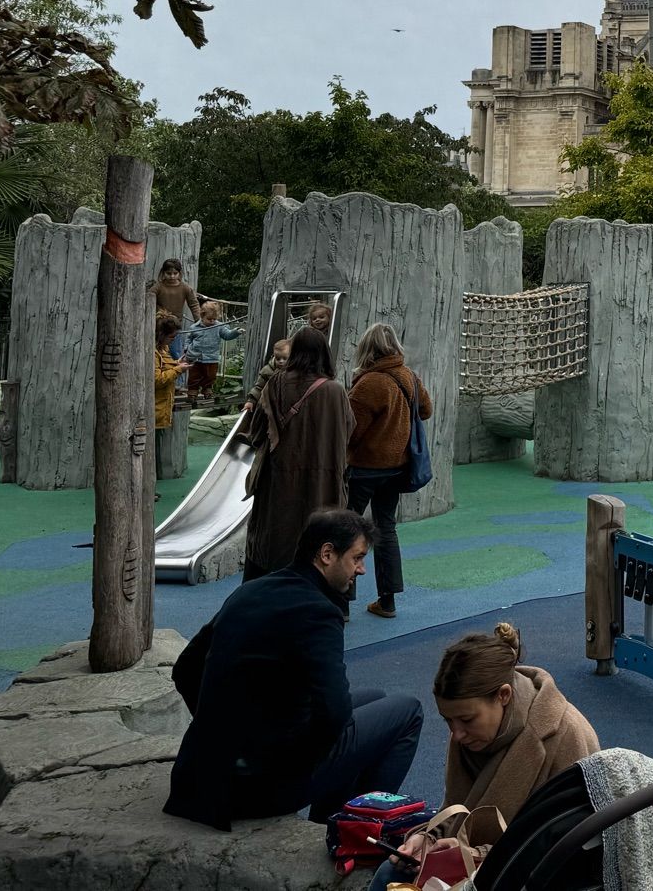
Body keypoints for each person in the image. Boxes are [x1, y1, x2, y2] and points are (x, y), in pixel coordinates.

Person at [166, 509, 423, 828]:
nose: (361, 569)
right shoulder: (318, 611)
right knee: (408, 711)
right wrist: (293, 754)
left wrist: (219, 728)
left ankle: (327, 819)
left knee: (375, 696)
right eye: (357, 558)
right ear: (327, 554)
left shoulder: (252, 590)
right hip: (260, 785)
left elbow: (186, 669)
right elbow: (335, 712)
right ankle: (357, 827)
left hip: (203, 773)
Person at [370, 622, 599, 889]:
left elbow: (562, 843)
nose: (456, 734)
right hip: (481, 858)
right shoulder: (471, 729)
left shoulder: (565, 734)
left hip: (544, 873)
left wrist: (477, 856)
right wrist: (428, 839)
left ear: (504, 695)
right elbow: (455, 807)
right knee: (390, 873)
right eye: (448, 721)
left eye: (466, 719)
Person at [242, 326, 353, 581]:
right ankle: (328, 601)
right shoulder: (334, 392)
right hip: (322, 480)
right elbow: (348, 431)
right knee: (322, 541)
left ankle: (260, 596)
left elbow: (257, 431)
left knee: (271, 540)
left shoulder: (275, 383)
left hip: (278, 478)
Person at [346, 323, 432, 619]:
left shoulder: (369, 383)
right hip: (396, 469)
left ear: (367, 349)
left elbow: (351, 431)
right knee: (386, 529)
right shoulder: (408, 376)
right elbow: (426, 410)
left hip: (364, 468)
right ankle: (388, 600)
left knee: (349, 528)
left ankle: (341, 601)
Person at [184, 299, 241, 407]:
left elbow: (227, 335)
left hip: (212, 357)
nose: (212, 321)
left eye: (214, 319)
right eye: (209, 319)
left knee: (210, 376)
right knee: (194, 376)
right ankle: (192, 393)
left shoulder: (219, 326)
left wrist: (236, 332)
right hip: (196, 357)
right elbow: (188, 338)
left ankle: (207, 390)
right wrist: (186, 348)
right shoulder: (194, 327)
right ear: (202, 316)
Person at [150, 258, 202, 357]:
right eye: (169, 273)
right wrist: (159, 312)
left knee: (176, 354)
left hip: (175, 328)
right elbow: (148, 299)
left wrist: (198, 320)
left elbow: (194, 304)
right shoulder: (158, 287)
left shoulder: (185, 288)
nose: (172, 276)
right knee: (157, 353)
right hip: (159, 327)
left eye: (175, 273)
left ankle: (178, 371)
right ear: (163, 273)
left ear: (179, 273)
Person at [154, 314, 192, 433]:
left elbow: (164, 367)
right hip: (154, 412)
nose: (174, 339)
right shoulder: (153, 353)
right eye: (172, 336)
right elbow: (156, 380)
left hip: (163, 409)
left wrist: (176, 363)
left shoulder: (164, 348)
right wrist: (178, 369)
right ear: (161, 334)